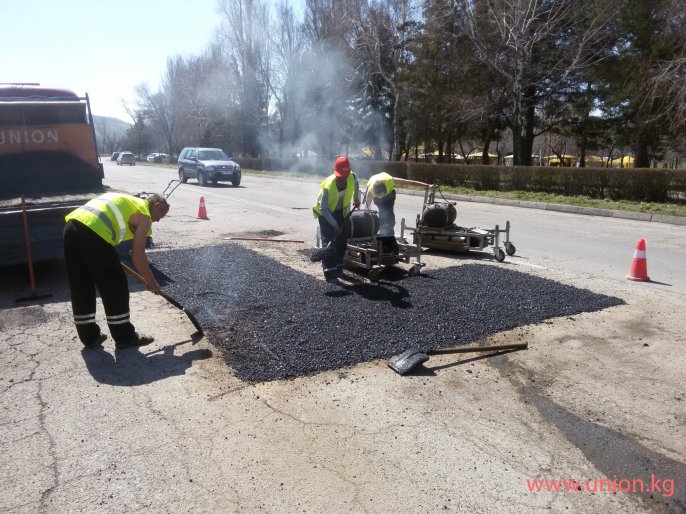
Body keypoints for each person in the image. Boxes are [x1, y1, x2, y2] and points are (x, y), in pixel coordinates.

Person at [63, 192, 170, 349]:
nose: (159, 219)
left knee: (81, 285)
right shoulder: (144, 214)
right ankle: (124, 337)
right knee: (115, 285)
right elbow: (138, 255)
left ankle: (89, 337)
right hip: (93, 234)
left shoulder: (129, 202)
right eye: (161, 214)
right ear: (157, 206)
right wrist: (151, 281)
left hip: (72, 228)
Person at [313, 156, 361, 282]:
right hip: (325, 215)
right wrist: (334, 225)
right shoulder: (328, 185)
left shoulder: (353, 176)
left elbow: (356, 183)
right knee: (329, 243)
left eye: (343, 176)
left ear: (348, 173)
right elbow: (323, 208)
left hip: (340, 213)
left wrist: (356, 198)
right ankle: (330, 274)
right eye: (338, 176)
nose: (341, 179)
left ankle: (339, 268)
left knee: (341, 242)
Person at [365, 172, 429, 236]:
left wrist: (426, 185)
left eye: (382, 195)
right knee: (382, 210)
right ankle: (383, 228)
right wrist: (368, 211)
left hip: (390, 194)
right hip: (377, 194)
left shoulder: (390, 181)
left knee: (389, 210)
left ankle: (389, 227)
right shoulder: (371, 191)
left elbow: (409, 182)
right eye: (379, 196)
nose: (381, 197)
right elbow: (367, 204)